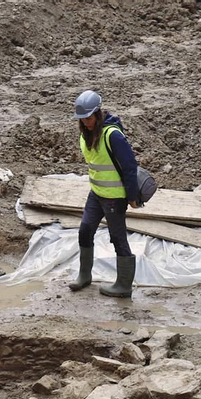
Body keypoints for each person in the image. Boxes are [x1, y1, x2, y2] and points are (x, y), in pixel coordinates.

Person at [68, 90, 143, 299]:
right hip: (96, 194)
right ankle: (84, 276)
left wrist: (132, 196)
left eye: (89, 118)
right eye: (82, 120)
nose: (86, 123)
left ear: (98, 114)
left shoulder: (113, 135)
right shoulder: (85, 135)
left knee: (117, 238)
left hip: (114, 197)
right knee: (85, 230)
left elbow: (129, 166)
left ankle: (124, 285)